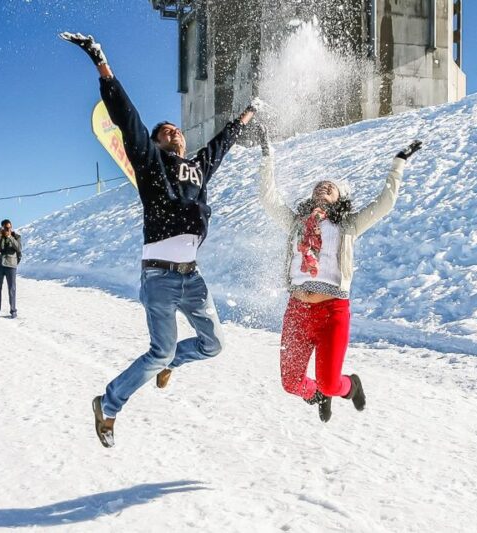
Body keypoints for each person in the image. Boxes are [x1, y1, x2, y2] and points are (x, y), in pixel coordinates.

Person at [60, 31, 257, 448]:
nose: (175, 133)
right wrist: (100, 61)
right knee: (158, 353)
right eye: (166, 131)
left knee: (213, 345)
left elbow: (219, 146)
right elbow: (126, 116)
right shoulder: (150, 164)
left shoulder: (196, 169)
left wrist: (244, 119)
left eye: (177, 131)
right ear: (154, 142)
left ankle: (172, 363)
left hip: (193, 278)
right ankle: (108, 404)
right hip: (160, 280)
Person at [258, 125, 422, 422]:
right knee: (291, 383)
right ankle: (318, 395)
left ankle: (350, 386)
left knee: (332, 383)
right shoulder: (297, 223)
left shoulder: (348, 225)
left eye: (330, 186)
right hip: (297, 310)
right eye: (319, 185)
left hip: (332, 311)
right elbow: (269, 200)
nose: (323, 187)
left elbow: (385, 204)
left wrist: (398, 163)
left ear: (339, 197)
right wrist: (267, 155)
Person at [0, 219, 21, 318]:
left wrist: (10, 237)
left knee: (12, 289)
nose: (8, 229)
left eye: (9, 227)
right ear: (2, 227)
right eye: (5, 227)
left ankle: (13, 311)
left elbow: (19, 248)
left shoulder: (16, 236)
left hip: (11, 264)